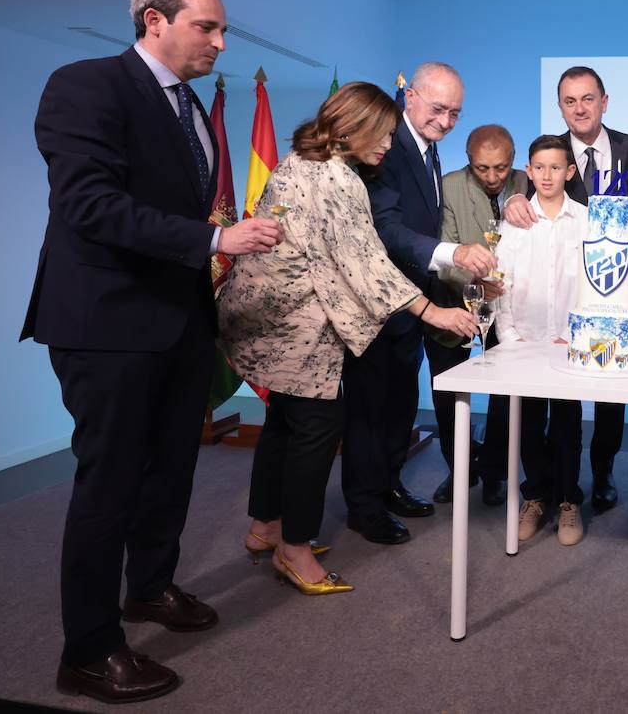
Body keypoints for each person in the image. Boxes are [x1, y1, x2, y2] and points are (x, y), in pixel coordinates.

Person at [21, 0, 284, 703]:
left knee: (171, 470)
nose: (220, 42)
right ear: (153, 21)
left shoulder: (192, 105)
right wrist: (218, 241)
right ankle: (90, 648)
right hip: (108, 323)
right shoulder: (86, 86)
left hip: (177, 322)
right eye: (207, 27)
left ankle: (151, 589)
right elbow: (91, 206)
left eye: (222, 29)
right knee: (109, 483)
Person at [218, 82, 477, 594]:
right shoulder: (338, 179)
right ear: (352, 128)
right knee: (317, 429)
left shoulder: (301, 159)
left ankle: (265, 527)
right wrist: (434, 313)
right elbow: (366, 265)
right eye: (381, 135)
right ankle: (294, 550)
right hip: (296, 326)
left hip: (266, 317)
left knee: (284, 424)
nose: (387, 146)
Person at [340, 62, 498, 546]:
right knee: (369, 410)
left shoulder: (426, 151)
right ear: (409, 96)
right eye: (438, 109)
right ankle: (364, 507)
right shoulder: (385, 146)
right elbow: (386, 230)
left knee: (400, 404)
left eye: (455, 113)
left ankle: (388, 486)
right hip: (379, 302)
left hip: (412, 305)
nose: (447, 122)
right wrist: (454, 253)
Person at [504, 65, 628, 512]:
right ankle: (548, 491)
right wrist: (511, 197)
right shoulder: (550, 156)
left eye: (588, 99)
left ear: (604, 101)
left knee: (609, 400)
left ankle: (602, 471)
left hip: (616, 291)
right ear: (560, 106)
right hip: (556, 303)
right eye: (569, 100)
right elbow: (522, 199)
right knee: (545, 414)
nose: (579, 108)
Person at [494, 135, 589, 545]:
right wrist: (509, 336)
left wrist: (578, 337)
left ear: (569, 172)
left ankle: (568, 500)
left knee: (567, 425)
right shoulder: (514, 222)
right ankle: (534, 497)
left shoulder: (586, 220)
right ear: (528, 172)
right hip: (523, 341)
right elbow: (501, 282)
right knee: (529, 424)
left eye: (556, 167)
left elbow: (593, 283)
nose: (547, 175)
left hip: (570, 343)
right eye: (539, 167)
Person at [432, 124, 529, 504]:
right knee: (448, 393)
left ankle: (493, 472)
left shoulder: (528, 180)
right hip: (455, 302)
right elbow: (444, 251)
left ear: (514, 160)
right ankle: (460, 471)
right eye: (482, 168)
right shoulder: (450, 185)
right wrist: (476, 284)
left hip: (509, 308)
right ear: (468, 162)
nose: (492, 177)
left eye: (501, 168)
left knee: (505, 393)